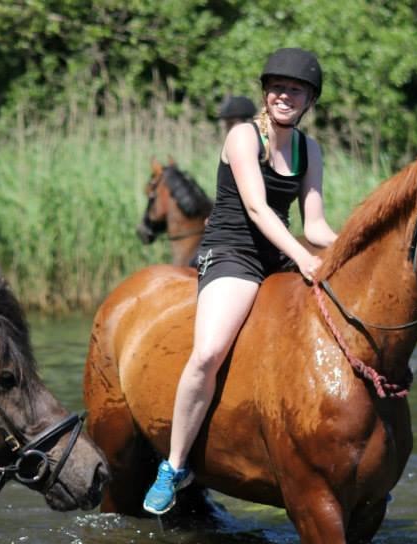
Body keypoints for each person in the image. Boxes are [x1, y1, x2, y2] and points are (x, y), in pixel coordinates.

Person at [143, 48, 338, 514]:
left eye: (295, 90)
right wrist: (302, 258)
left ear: (309, 98)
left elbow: (313, 225)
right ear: (265, 94)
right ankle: (173, 465)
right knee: (208, 353)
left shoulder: (310, 149)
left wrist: (354, 245)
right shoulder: (241, 136)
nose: (284, 96)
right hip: (232, 255)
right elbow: (256, 208)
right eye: (277, 88)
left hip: (282, 257)